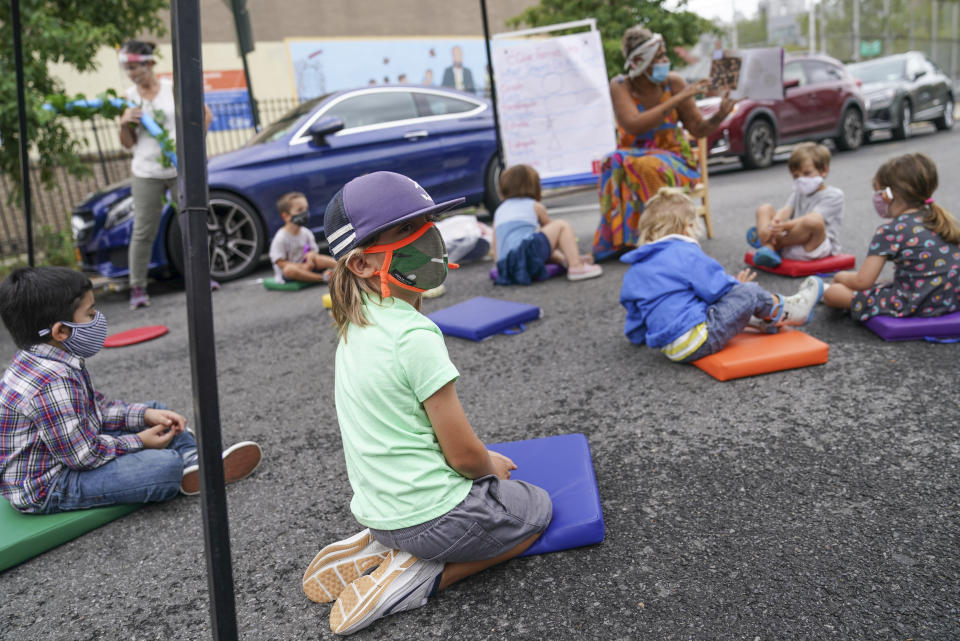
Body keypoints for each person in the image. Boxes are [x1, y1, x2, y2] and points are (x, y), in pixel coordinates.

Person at [301, 172, 552, 635]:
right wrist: (490, 464)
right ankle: (424, 575)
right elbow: (462, 457)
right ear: (360, 263)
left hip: (381, 512)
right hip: (430, 517)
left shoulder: (357, 324)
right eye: (405, 230)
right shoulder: (415, 335)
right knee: (534, 511)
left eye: (426, 221)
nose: (428, 237)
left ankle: (385, 548)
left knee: (479, 504)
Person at [0, 267, 263, 513]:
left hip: (70, 451)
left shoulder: (46, 359)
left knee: (155, 410)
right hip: (51, 485)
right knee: (163, 467)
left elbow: (98, 412)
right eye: (90, 313)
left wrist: (145, 416)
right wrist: (140, 441)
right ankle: (182, 464)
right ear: (61, 331)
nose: (97, 319)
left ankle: (192, 460)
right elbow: (83, 456)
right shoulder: (51, 382)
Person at [619, 188, 824, 363]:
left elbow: (636, 315)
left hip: (669, 348)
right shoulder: (684, 253)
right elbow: (716, 288)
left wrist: (637, 337)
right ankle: (792, 310)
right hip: (699, 340)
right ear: (687, 227)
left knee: (693, 299)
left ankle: (760, 320)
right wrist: (737, 287)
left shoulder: (636, 269)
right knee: (750, 293)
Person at [593, 25, 736, 261]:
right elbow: (634, 124)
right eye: (659, 56)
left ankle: (661, 237)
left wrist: (720, 116)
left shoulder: (674, 83)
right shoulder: (621, 85)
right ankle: (620, 241)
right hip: (634, 154)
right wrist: (678, 99)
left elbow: (698, 129)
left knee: (648, 165)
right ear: (640, 61)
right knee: (611, 161)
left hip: (676, 159)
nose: (665, 61)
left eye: (664, 54)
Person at [117, 40, 213, 310]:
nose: (131, 73)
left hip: (179, 167)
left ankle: (203, 278)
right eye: (128, 68)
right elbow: (127, 143)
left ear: (149, 63)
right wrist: (124, 122)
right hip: (146, 170)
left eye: (135, 67)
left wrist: (193, 149)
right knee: (144, 229)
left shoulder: (174, 89)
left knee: (192, 223)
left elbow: (205, 115)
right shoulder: (128, 96)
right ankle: (138, 287)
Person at [823, 153, 960, 321]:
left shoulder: (890, 230)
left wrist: (840, 276)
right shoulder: (939, 219)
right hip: (951, 300)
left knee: (832, 293)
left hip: (915, 304)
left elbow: (862, 282)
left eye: (879, 192)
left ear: (889, 194)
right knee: (883, 283)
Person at [493, 164, 602, 284]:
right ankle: (576, 266)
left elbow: (496, 246)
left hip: (506, 264)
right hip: (526, 255)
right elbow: (553, 241)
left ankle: (566, 260)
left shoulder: (499, 211)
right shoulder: (535, 206)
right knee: (561, 226)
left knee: (536, 242)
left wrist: (501, 267)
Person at [748, 143, 845, 268]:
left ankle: (769, 243)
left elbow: (814, 218)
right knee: (764, 209)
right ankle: (768, 247)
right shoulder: (799, 192)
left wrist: (784, 227)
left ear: (824, 171)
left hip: (814, 247)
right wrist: (775, 223)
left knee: (813, 221)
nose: (801, 179)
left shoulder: (834, 195)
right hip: (792, 241)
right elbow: (786, 210)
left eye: (806, 173)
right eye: (796, 176)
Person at [269, 192, 337, 284]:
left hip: (308, 265)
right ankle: (322, 278)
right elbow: (280, 263)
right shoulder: (280, 237)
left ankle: (342, 267)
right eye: (300, 210)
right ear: (286, 216)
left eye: (306, 209)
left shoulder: (306, 232)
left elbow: (313, 251)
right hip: (291, 272)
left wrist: (311, 255)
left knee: (319, 258)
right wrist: (300, 266)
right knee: (289, 269)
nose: (305, 213)